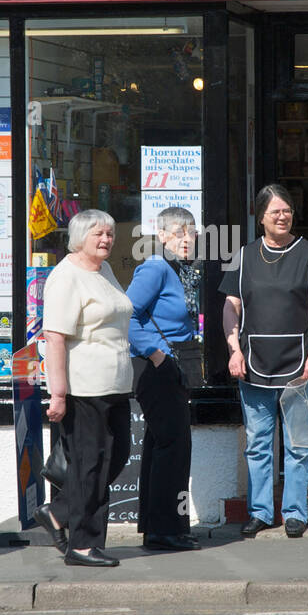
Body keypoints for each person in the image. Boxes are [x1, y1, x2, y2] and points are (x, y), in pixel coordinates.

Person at [220, 184, 308, 538]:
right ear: (261, 217)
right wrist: (233, 349)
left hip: (301, 362)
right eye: (275, 212)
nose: (283, 216)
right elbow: (231, 305)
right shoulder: (244, 256)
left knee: (299, 442)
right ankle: (260, 511)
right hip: (254, 363)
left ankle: (295, 512)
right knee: (258, 443)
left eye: (287, 210)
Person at [35, 209, 133, 567]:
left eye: (109, 233)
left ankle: (60, 511)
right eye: (98, 234)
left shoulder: (103, 270)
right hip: (85, 386)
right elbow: (55, 337)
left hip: (116, 383)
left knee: (116, 455)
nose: (106, 239)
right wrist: (57, 392)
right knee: (90, 464)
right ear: (79, 238)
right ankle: (82, 545)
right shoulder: (66, 276)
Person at [126, 207, 203, 551]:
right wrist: (155, 353)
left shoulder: (181, 269)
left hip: (174, 365)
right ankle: (166, 531)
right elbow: (126, 315)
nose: (187, 239)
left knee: (164, 446)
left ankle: (161, 527)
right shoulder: (156, 267)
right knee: (172, 446)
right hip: (156, 367)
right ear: (163, 237)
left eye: (192, 232)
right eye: (179, 233)